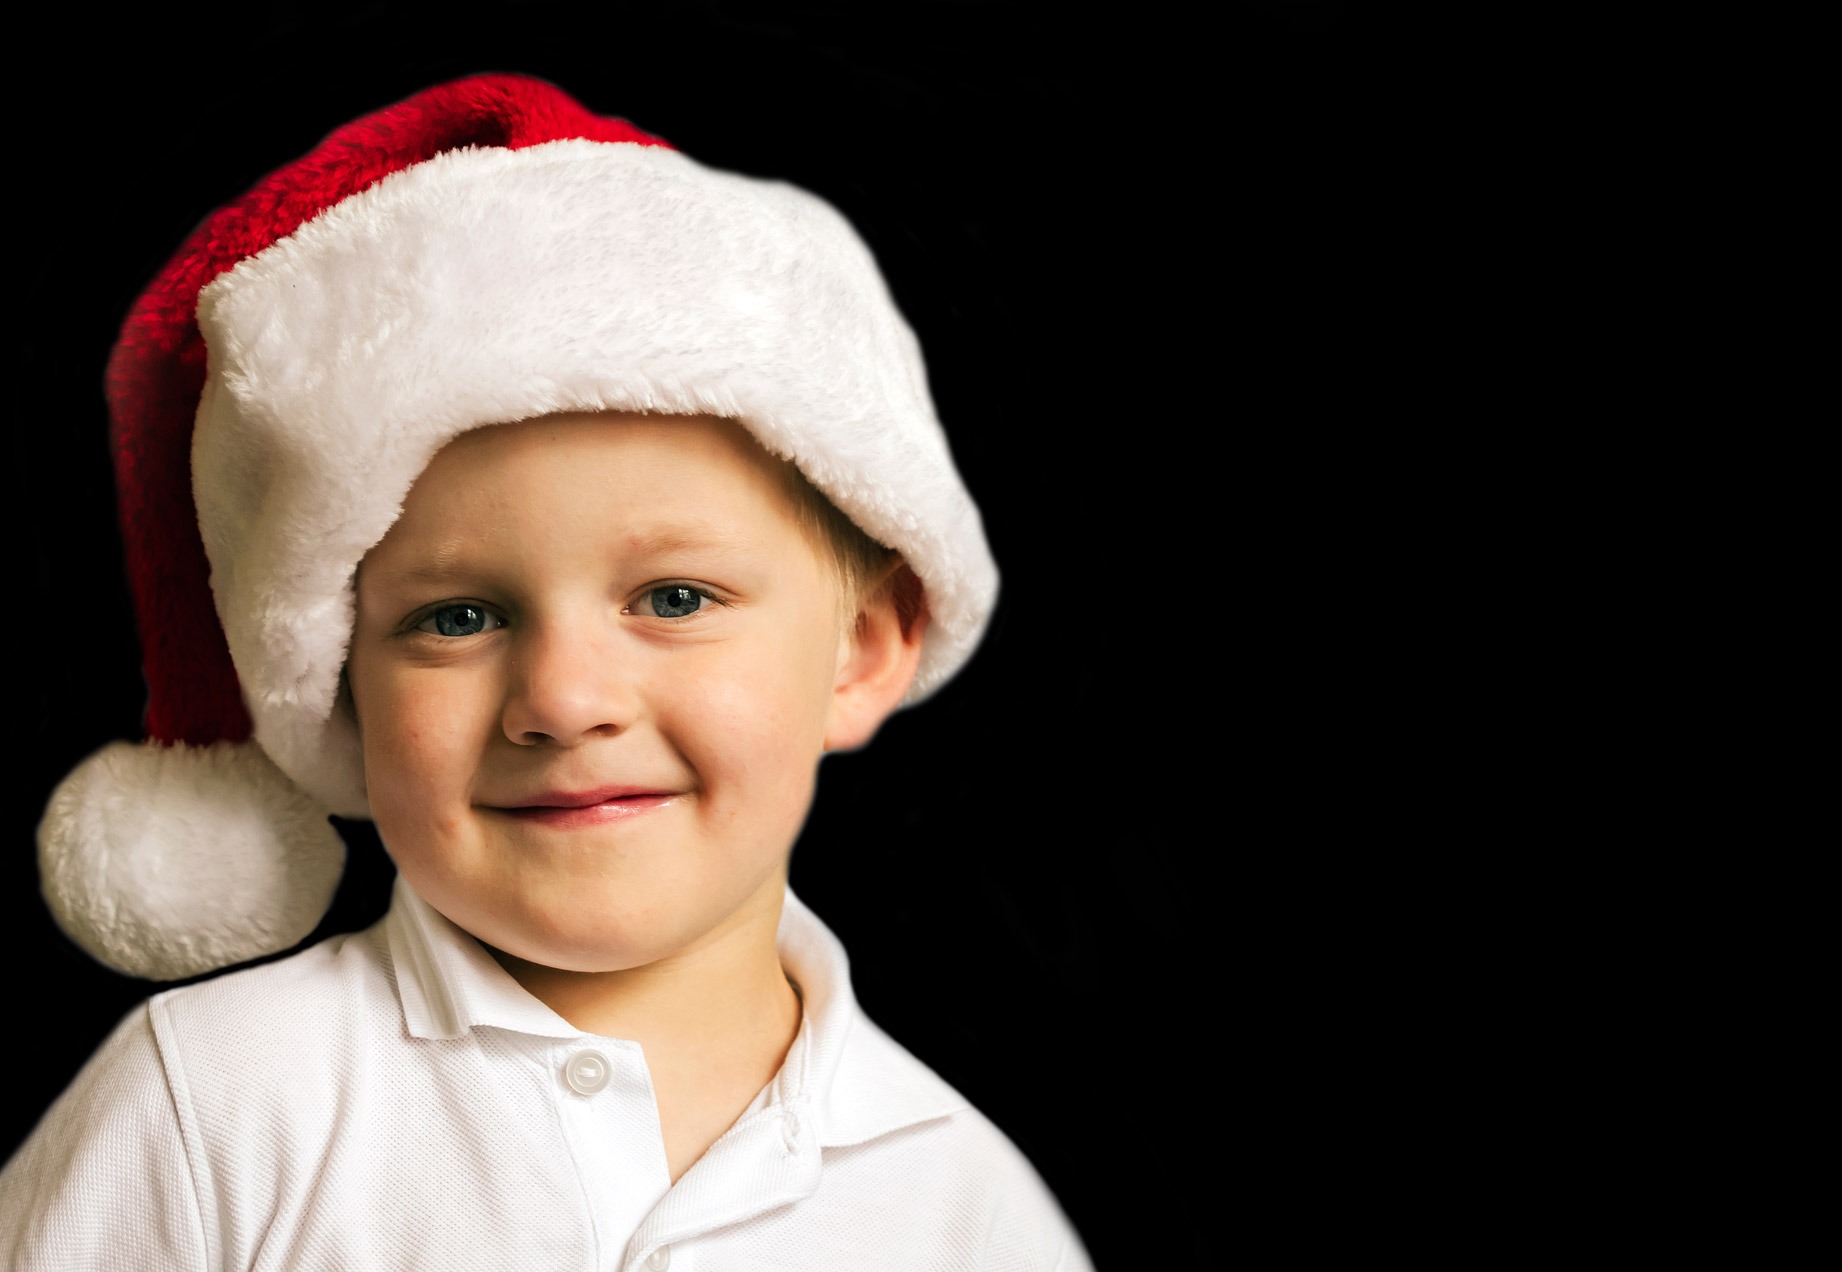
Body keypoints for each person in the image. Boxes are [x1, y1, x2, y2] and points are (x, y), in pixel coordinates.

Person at [0, 73, 1093, 1271]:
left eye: (675, 599)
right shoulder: (210, 1109)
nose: (566, 701)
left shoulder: (961, 1205)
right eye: (458, 617)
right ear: (339, 681)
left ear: (864, 648)